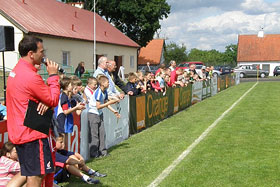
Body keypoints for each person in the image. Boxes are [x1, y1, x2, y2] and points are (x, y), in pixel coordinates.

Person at [6, 36, 60, 187]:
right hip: (32, 134)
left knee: (29, 173)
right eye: (42, 52)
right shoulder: (31, 77)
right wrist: (53, 76)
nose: (44, 55)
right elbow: (53, 100)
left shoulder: (16, 71)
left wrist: (43, 100)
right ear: (31, 54)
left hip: (20, 132)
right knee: (36, 176)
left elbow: (32, 96)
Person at [88, 75, 120, 158]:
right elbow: (98, 106)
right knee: (94, 135)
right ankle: (94, 153)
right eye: (107, 82)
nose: (109, 84)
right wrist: (110, 102)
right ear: (102, 83)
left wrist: (114, 111)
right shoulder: (98, 92)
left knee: (102, 133)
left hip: (100, 114)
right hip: (93, 114)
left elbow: (105, 103)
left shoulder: (104, 91)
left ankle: (103, 151)